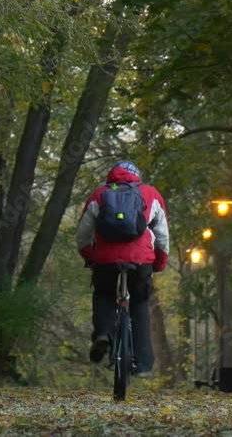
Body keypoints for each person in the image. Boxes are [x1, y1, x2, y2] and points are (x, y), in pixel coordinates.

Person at [75, 160, 169, 377]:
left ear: (112, 175)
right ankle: (142, 362)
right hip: (141, 261)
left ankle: (103, 334)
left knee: (104, 295)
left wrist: (91, 257)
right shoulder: (150, 194)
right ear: (137, 175)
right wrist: (159, 263)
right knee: (139, 304)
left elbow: (82, 236)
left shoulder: (100, 194)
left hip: (106, 260)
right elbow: (162, 236)